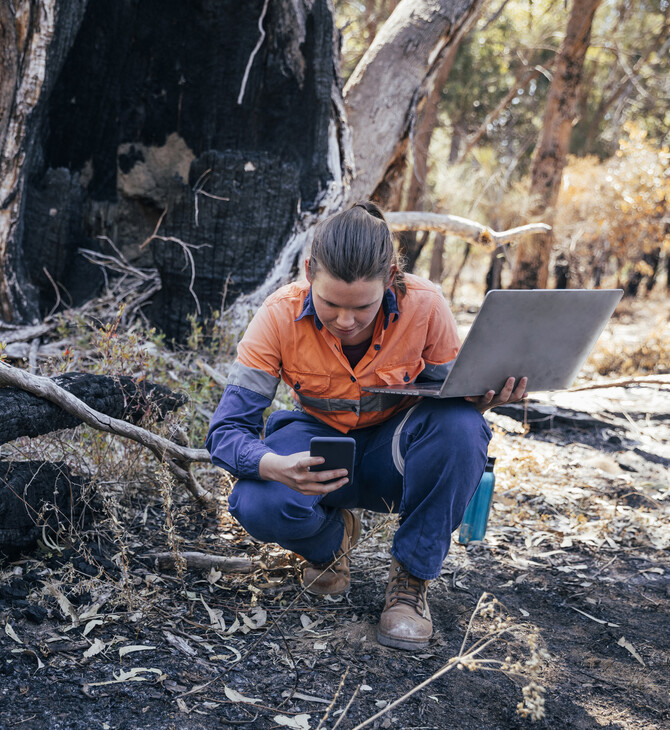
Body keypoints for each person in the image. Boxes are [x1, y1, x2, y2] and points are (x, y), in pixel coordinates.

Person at [206, 201, 526, 650]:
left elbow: (451, 415)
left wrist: (484, 399)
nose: (346, 321)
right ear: (308, 270)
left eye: (363, 307)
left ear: (392, 278)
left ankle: (410, 582)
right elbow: (225, 432)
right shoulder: (278, 315)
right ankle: (331, 544)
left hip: (394, 457)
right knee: (254, 500)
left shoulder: (427, 306)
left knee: (462, 426)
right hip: (319, 451)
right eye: (330, 304)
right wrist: (273, 465)